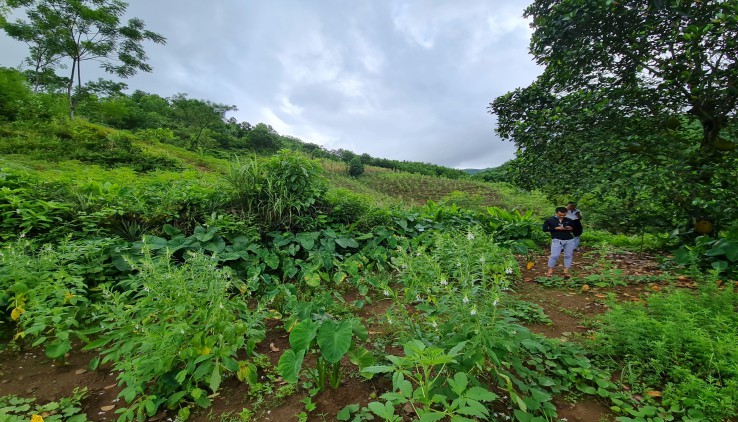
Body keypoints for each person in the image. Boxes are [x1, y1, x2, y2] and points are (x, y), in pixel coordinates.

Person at [543, 206, 576, 278]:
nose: (562, 216)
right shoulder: (550, 220)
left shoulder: (569, 220)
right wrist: (555, 228)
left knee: (568, 255)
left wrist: (568, 228)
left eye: (564, 215)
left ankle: (566, 271)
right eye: (560, 215)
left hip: (569, 239)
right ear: (556, 213)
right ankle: (550, 270)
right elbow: (544, 229)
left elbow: (573, 228)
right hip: (557, 239)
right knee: (554, 255)